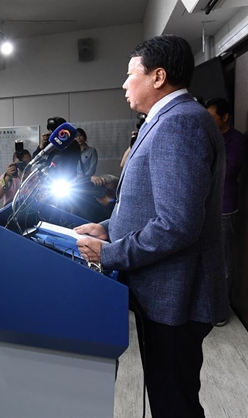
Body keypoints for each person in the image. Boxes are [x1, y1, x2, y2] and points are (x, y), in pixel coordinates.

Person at [75, 35, 228, 418]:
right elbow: (149, 203)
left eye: (131, 75)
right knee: (167, 395)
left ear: (158, 76)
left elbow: (177, 224)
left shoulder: (180, 125)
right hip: (164, 293)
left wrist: (110, 253)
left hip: (177, 295)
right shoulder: (165, 121)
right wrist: (109, 228)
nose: (125, 84)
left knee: (173, 402)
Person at [204, 97, 248, 314]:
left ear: (225, 117)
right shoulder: (209, 137)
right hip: (206, 208)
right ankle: (209, 305)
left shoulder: (236, 140)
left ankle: (222, 310)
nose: (208, 121)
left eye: (212, 117)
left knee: (224, 262)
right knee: (208, 261)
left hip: (225, 208)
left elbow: (227, 171)